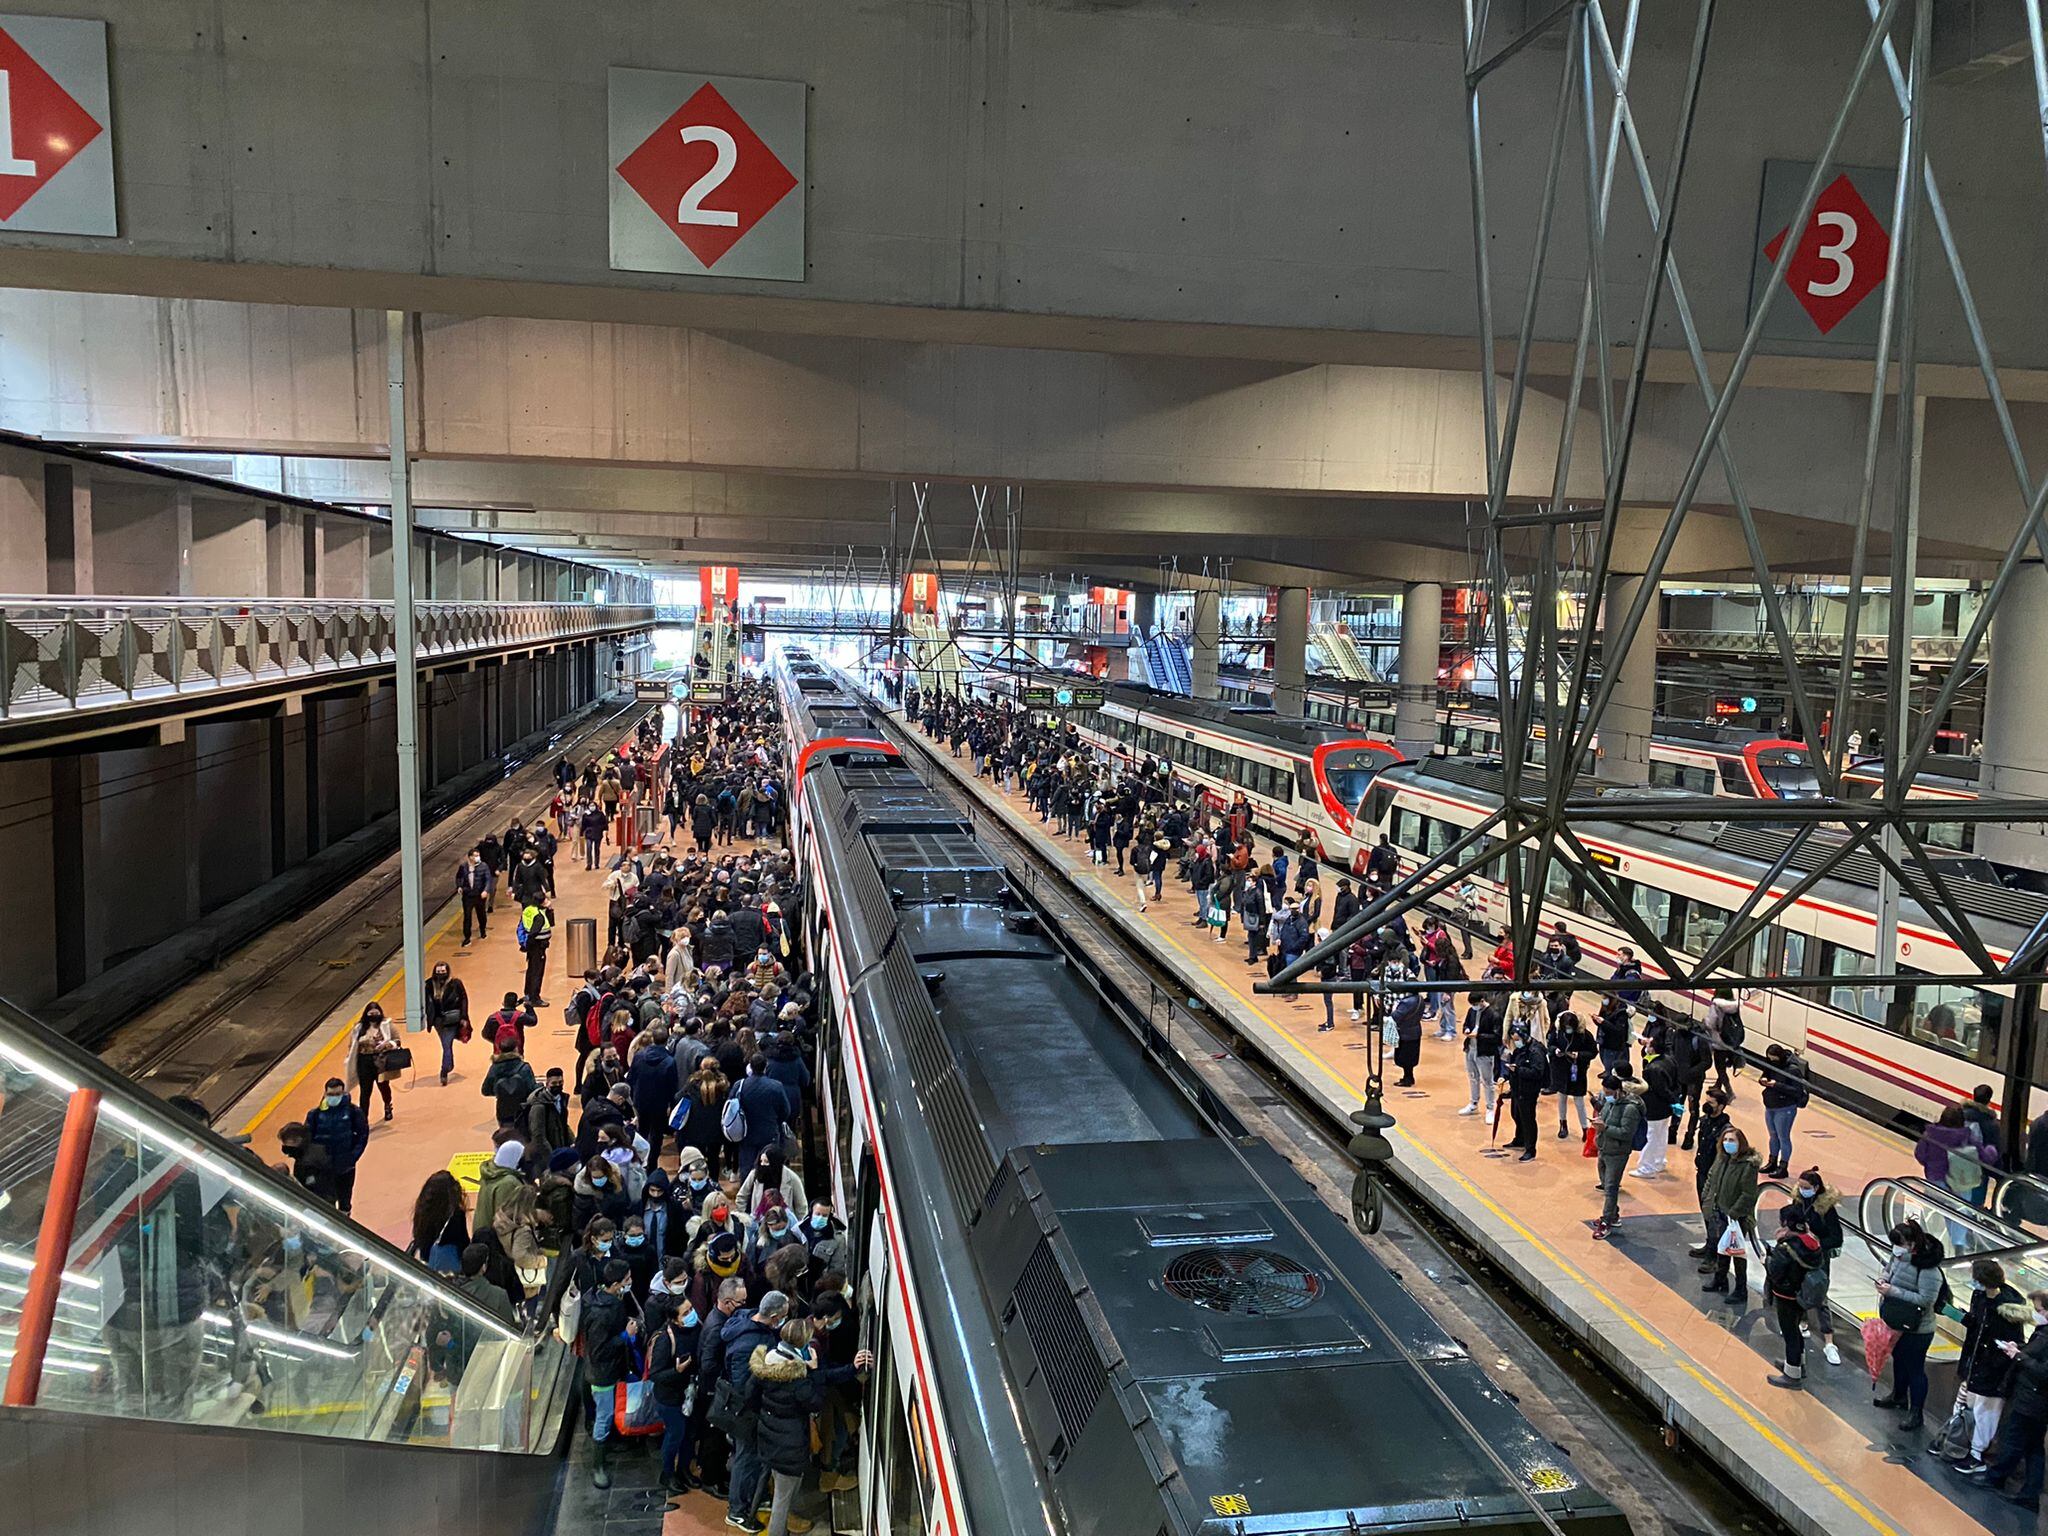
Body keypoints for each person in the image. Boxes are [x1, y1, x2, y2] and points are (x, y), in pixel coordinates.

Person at [746, 1317, 871, 1536]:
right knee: (782, 1503)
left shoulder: (767, 1363)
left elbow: (750, 1396)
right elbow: (816, 1401)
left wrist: (851, 1368)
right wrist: (812, 1370)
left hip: (769, 1436)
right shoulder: (798, 1380)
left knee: (782, 1491)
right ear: (801, 1344)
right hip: (790, 1446)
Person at [1957, 1290, 2048, 1511]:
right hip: (2036, 1399)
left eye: (2038, 1310)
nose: (2035, 1314)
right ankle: (2030, 1493)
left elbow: (2043, 1371)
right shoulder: (2043, 1332)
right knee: (2034, 1447)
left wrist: (2018, 1355)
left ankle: (1995, 1477)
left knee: (2014, 1439)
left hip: (2032, 1399)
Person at [1949, 1258, 2032, 1469]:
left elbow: (2010, 1342)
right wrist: (1957, 1315)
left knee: (1985, 1412)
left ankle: (1977, 1455)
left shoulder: (2007, 1309)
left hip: (1993, 1371)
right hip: (1974, 1363)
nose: (1972, 1282)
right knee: (1966, 1405)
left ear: (1983, 1280)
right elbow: (1975, 1325)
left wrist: (1992, 1363)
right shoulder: (1979, 1296)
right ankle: (1957, 1441)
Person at [722, 1290, 794, 1528]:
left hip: (750, 1408)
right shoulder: (751, 1344)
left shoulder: (745, 1318)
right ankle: (737, 1511)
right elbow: (744, 1385)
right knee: (746, 1457)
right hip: (746, 1410)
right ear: (774, 1316)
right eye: (782, 1316)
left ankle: (753, 1496)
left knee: (752, 1456)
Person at [1873, 1222, 1945, 1431]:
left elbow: (1926, 1300)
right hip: (1897, 1322)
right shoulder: (1899, 1257)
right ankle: (1898, 1395)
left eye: (1900, 1244)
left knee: (1915, 1369)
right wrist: (1883, 1281)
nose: (1896, 1248)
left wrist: (1892, 1291)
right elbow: (1889, 1270)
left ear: (1913, 1243)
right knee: (1899, 1361)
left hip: (1917, 1328)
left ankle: (1916, 1413)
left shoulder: (1929, 1269)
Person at [580, 1258, 641, 1489]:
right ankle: (598, 1466)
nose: (630, 1283)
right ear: (615, 1284)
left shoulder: (608, 1301)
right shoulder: (602, 1313)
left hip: (611, 1369)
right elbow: (599, 1351)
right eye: (626, 1280)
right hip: (602, 1375)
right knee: (603, 1416)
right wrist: (625, 1335)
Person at [1781, 1169, 1845, 1365]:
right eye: (1800, 1187)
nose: (1802, 1190)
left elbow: (1836, 1238)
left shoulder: (1826, 1209)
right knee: (1799, 1288)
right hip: (1800, 1255)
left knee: (1820, 1295)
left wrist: (1816, 1241)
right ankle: (1803, 1322)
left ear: (1817, 1188)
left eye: (1806, 1188)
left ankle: (1829, 1341)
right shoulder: (1799, 1202)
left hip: (1818, 1258)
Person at [1700, 1124, 1762, 1309]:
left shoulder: (1748, 1165)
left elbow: (1749, 1194)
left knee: (1737, 1252)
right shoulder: (1722, 1158)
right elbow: (1711, 1177)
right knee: (1721, 1247)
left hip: (1736, 1216)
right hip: (1718, 1210)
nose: (1728, 1144)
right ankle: (1720, 1279)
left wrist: (1734, 1213)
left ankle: (1741, 1289)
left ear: (1740, 1143)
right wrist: (1707, 1198)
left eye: (1732, 1140)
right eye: (1725, 1140)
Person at [649, 1285, 701, 1495]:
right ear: (675, 1319)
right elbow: (655, 1374)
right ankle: (667, 1473)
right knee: (675, 1435)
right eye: (685, 1313)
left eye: (691, 1309)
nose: (691, 1315)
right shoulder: (665, 1339)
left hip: (690, 1392)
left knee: (689, 1434)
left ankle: (684, 1470)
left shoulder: (696, 1327)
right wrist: (677, 1371)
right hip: (669, 1398)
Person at [1763, 1222, 1829, 1390]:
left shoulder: (1787, 1247)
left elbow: (1775, 1271)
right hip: (1802, 1295)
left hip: (1786, 1295)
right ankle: (1798, 1365)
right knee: (1796, 1328)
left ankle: (1792, 1375)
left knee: (1789, 1332)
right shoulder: (1813, 1243)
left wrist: (1773, 1252)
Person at [303, 1076, 370, 1215]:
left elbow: (363, 1135)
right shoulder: (314, 1115)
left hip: (346, 1167)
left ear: (343, 1093)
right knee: (327, 1202)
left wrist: (353, 1157)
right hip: (323, 1168)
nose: (334, 1097)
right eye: (330, 1094)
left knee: (345, 1202)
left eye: (337, 1094)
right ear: (325, 1093)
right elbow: (307, 1139)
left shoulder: (353, 1112)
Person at [1590, 1069, 1644, 1241]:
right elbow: (1605, 1116)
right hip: (1604, 1148)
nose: (1606, 1096)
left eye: (1608, 1093)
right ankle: (1614, 1215)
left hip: (1618, 1152)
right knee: (1606, 1184)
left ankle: (1606, 1221)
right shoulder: (1610, 1103)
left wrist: (1605, 1128)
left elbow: (1626, 1133)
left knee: (1611, 1187)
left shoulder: (1630, 1109)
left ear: (1618, 1091)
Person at [1757, 1043, 1808, 1178]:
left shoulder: (1792, 1070)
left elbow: (1797, 1091)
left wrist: (1777, 1085)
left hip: (1785, 1108)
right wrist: (1762, 1080)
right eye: (1770, 1058)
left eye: (1774, 1058)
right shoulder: (1770, 1065)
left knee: (1783, 1137)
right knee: (1773, 1135)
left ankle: (1783, 1166)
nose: (1772, 1061)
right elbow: (1765, 1074)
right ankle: (1772, 1161)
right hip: (1771, 1105)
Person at [1502, 1019, 1549, 1162]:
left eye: (1516, 1039)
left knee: (1528, 1119)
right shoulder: (1519, 1049)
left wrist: (1518, 1070)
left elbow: (1537, 1072)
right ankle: (1519, 1139)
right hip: (1517, 1088)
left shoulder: (1535, 1051)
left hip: (1528, 1090)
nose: (1515, 1041)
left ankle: (1530, 1149)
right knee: (1516, 1114)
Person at [1632, 1042, 1680, 1180]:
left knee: (1651, 1137)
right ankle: (1659, 1161)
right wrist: (1674, 1100)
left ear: (1652, 1049)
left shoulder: (1653, 1069)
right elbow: (1676, 1083)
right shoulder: (1669, 1060)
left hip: (1654, 1107)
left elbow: (1661, 1090)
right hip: (1666, 1108)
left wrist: (1672, 1100)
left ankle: (1646, 1167)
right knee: (1661, 1134)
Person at [408, 1168, 470, 1273]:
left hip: (428, 1265)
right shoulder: (456, 1215)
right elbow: (463, 1244)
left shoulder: (422, 1210)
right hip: (452, 1268)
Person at [1548, 1009, 1596, 1139]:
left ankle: (1585, 1128)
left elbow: (1593, 1052)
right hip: (1561, 1070)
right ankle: (1563, 1124)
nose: (1568, 1029)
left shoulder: (1585, 1035)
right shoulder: (1557, 1033)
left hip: (1577, 1071)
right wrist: (1555, 1051)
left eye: (1570, 1027)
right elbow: (1550, 1045)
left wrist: (1579, 1055)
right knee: (1561, 1098)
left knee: (1579, 1100)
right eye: (1566, 1027)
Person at [423, 960, 471, 1086]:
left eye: (443, 971)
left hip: (452, 1020)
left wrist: (464, 1016)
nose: (440, 974)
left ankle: (444, 1071)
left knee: (446, 1043)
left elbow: (464, 999)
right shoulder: (429, 984)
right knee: (446, 1044)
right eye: (438, 972)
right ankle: (449, 1064)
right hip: (437, 1021)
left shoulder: (455, 984)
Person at [352, 1002, 398, 1123]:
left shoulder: (386, 1025)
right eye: (371, 1014)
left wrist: (388, 1045)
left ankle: (387, 1105)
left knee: (383, 1086)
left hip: (380, 1061)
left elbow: (397, 1040)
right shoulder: (359, 1028)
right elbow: (352, 1046)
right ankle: (363, 1119)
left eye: (376, 1014)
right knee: (365, 1092)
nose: (373, 1016)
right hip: (364, 1062)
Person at [1458, 991, 1501, 1118]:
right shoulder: (1471, 1011)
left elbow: (1497, 1037)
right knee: (1473, 1077)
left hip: (1485, 1052)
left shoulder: (1494, 1015)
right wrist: (1466, 1029)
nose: (1474, 1006)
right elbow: (1466, 1024)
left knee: (1488, 1081)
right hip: (1470, 1049)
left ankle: (1490, 1108)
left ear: (1482, 1001)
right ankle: (1473, 1103)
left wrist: (1479, 1036)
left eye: (1476, 1004)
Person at [521, 900, 555, 1007]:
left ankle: (528, 993)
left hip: (531, 947)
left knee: (531, 970)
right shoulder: (539, 916)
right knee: (537, 971)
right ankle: (535, 998)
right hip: (538, 947)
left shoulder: (529, 910)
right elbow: (535, 932)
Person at [455, 849, 491, 945]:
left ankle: (482, 930)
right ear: (470, 857)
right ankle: (467, 937)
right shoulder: (463, 867)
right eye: (475, 855)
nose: (477, 857)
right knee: (467, 916)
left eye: (478, 855)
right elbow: (459, 877)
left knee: (481, 914)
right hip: (468, 896)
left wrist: (485, 890)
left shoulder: (484, 866)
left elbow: (488, 879)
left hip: (480, 896)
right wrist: (459, 886)